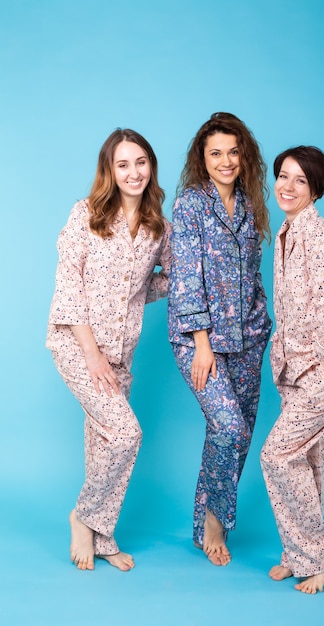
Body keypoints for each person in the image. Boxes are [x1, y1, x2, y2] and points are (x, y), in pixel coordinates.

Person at [46, 128, 171, 571]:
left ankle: (102, 537)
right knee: (126, 433)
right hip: (78, 345)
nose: (133, 172)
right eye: (123, 164)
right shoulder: (86, 215)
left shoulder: (159, 227)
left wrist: (142, 291)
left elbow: (168, 280)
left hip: (122, 350)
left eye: (140, 162)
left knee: (104, 443)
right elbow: (69, 288)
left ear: (150, 166)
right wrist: (93, 354)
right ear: (110, 170)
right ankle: (82, 517)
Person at [168, 112, 272, 566]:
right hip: (201, 340)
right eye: (216, 153)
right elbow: (187, 278)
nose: (226, 161)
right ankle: (215, 521)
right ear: (202, 159)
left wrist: (263, 325)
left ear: (243, 154)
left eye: (233, 151)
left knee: (238, 434)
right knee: (227, 426)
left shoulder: (251, 204)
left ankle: (209, 520)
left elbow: (253, 275)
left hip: (248, 337)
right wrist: (203, 343)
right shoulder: (190, 205)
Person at [260, 146, 324, 593]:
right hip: (297, 368)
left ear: (315, 189)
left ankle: (316, 553)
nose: (287, 186)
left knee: (277, 455)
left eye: (300, 180)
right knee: (305, 456)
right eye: (283, 176)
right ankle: (297, 553)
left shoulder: (316, 232)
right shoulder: (288, 229)